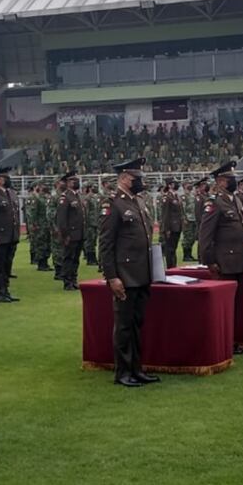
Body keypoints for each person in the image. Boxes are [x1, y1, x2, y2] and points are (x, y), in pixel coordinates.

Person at [99, 157, 160, 388]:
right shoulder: (113, 203)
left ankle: (137, 369)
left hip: (141, 274)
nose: (140, 182)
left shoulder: (138, 202)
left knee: (136, 325)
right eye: (137, 179)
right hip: (125, 275)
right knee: (123, 326)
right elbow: (106, 245)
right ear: (124, 178)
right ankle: (123, 372)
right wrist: (112, 277)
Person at [198, 161, 243, 355]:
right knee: (225, 307)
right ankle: (225, 341)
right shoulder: (215, 202)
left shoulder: (233, 200)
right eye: (230, 179)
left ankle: (233, 341)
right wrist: (209, 260)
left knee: (235, 306)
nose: (234, 181)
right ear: (221, 181)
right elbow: (205, 235)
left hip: (238, 259)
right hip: (224, 261)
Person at [0, 166, 22, 303]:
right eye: (5, 178)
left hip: (11, 236)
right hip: (0, 237)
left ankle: (6, 290)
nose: (8, 180)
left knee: (7, 266)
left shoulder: (11, 194)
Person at [55, 171, 85, 290]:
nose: (76, 182)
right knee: (68, 258)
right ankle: (67, 282)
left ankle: (73, 279)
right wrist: (65, 235)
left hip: (79, 233)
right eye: (73, 181)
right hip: (70, 234)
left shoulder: (77, 195)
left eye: (77, 180)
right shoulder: (65, 197)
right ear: (67, 183)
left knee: (75, 258)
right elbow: (61, 219)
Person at [159, 179, 183, 270]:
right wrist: (166, 228)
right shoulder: (167, 197)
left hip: (177, 226)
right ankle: (170, 268)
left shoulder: (176, 196)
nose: (176, 185)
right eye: (173, 183)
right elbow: (165, 214)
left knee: (174, 248)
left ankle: (174, 266)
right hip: (171, 227)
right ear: (169, 185)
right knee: (169, 249)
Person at [83, 183, 101, 266]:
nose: (95, 188)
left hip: (95, 222)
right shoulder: (87, 198)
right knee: (90, 241)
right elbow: (86, 211)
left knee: (94, 241)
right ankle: (90, 259)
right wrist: (86, 222)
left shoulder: (95, 197)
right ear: (89, 188)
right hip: (89, 223)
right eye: (93, 187)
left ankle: (93, 259)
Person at [180, 180, 197, 262]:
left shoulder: (193, 195)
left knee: (192, 238)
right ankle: (186, 255)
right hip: (188, 219)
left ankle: (189, 255)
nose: (190, 185)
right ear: (184, 186)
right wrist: (184, 218)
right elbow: (182, 208)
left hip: (194, 218)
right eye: (188, 184)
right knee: (187, 238)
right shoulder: (184, 196)